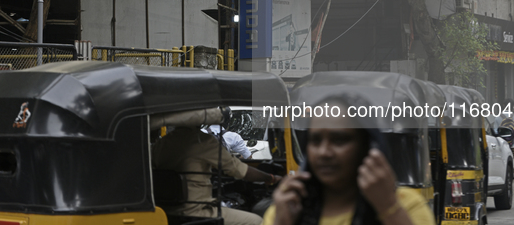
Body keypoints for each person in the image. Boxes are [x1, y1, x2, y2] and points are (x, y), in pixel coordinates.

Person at [262, 96, 435, 225]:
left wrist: (389, 208)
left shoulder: (406, 204)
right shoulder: (287, 208)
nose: (324, 152)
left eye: (339, 140)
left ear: (366, 148)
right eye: (315, 141)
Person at [152, 126, 281, 225]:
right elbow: (239, 170)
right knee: (257, 221)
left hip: (165, 210)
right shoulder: (202, 141)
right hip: (196, 211)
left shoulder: (162, 143)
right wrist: (271, 178)